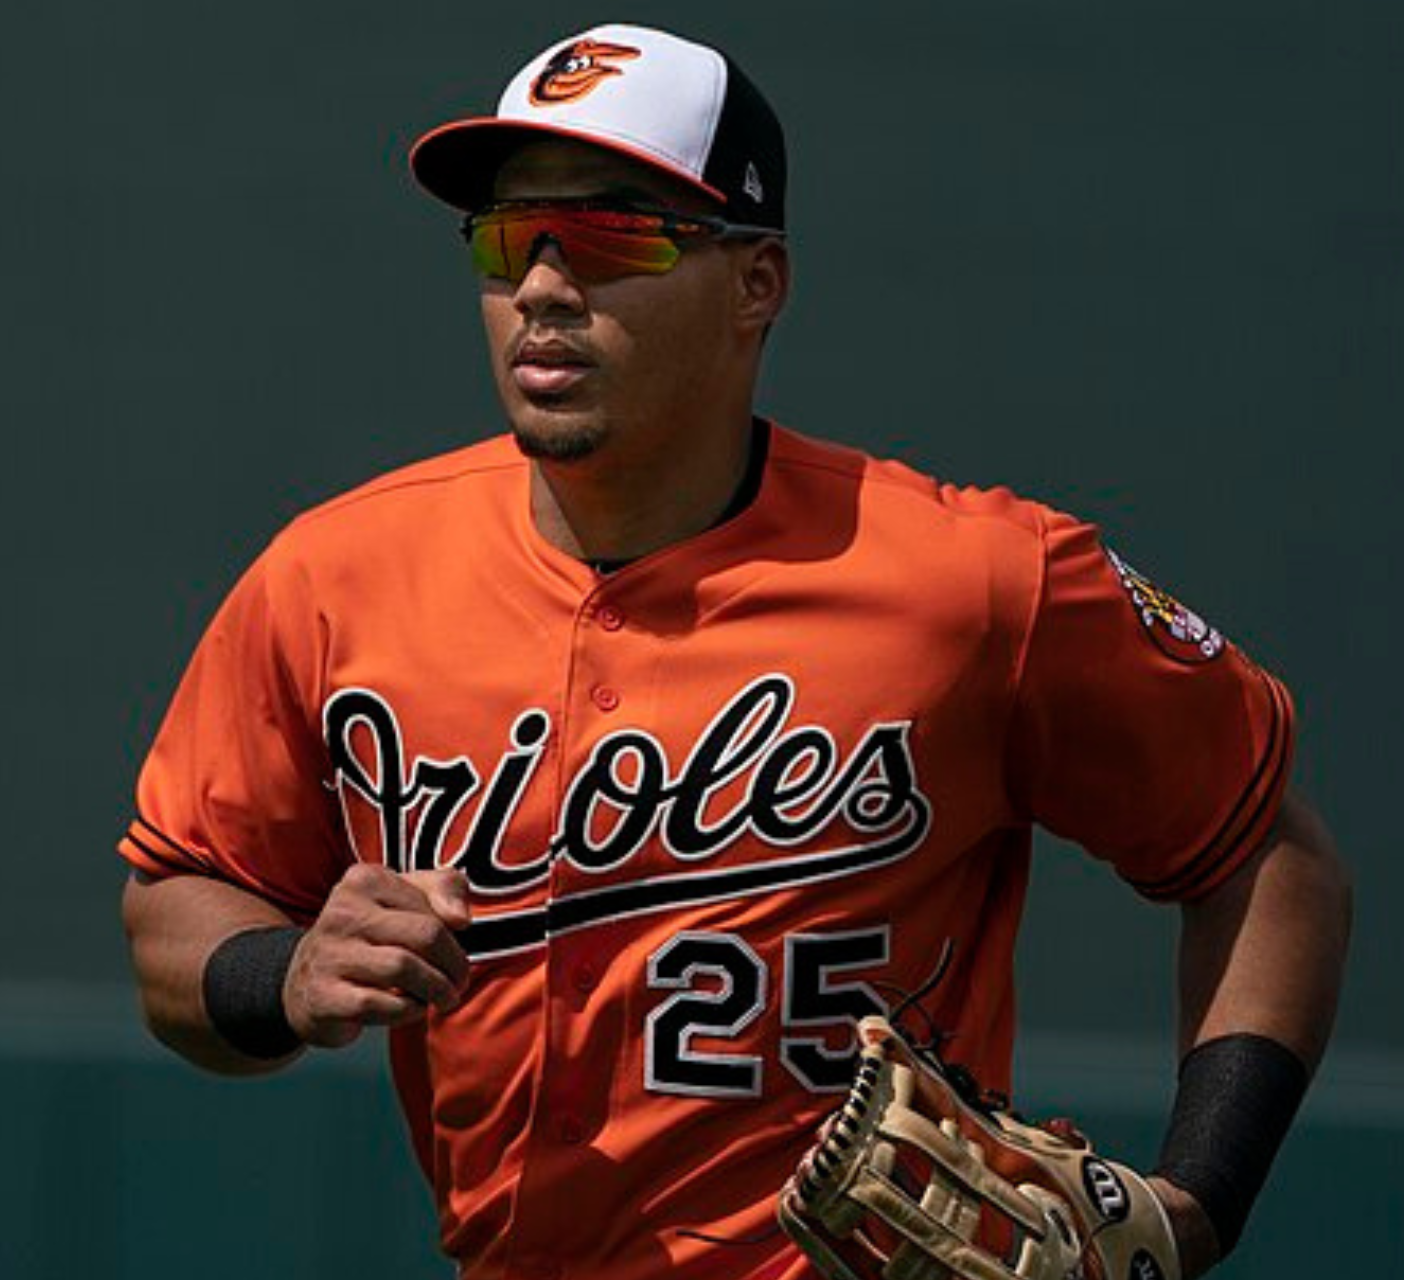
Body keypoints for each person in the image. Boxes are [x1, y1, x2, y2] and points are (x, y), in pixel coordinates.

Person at [116, 23, 1351, 1280]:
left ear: (756, 282)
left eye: (607, 234)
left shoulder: (971, 582)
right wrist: (285, 967)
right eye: (505, 237)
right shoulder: (335, 575)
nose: (540, 284)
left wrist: (1195, 1204)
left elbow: (1261, 848)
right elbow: (173, 901)